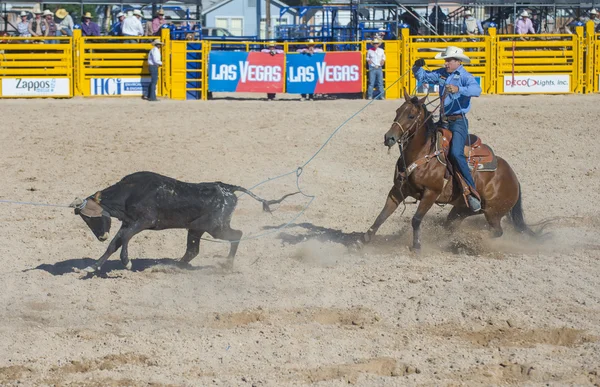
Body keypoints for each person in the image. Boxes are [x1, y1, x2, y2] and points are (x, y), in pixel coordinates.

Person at [412, 46, 483, 212]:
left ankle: (472, 191)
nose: (446, 63)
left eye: (449, 60)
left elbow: (477, 90)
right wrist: (417, 67)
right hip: (443, 120)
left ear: (458, 62)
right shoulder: (442, 74)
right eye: (445, 60)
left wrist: (459, 89)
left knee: (456, 153)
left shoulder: (465, 76)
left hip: (458, 122)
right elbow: (423, 76)